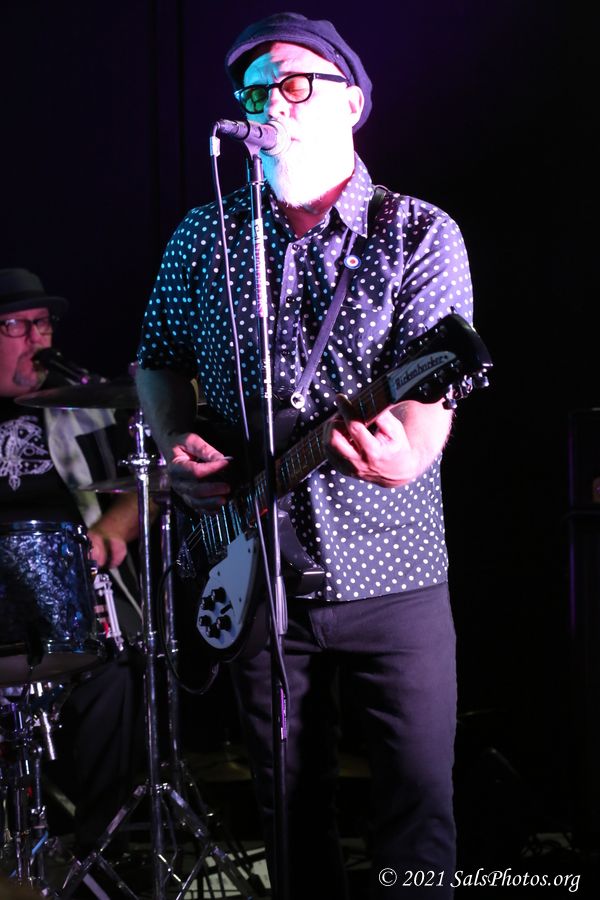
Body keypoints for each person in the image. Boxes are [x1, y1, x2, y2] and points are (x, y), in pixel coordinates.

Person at [135, 12, 474, 898]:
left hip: (392, 568)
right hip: (255, 569)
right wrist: (177, 440)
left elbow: (436, 375)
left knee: (417, 812)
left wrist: (415, 449)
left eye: (292, 84)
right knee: (289, 813)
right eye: (254, 93)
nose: (270, 104)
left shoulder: (417, 231)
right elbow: (156, 359)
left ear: (351, 103)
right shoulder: (203, 237)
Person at [0, 267, 144, 859]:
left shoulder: (80, 408)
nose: (39, 338)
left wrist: (112, 528)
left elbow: (147, 485)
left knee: (115, 672)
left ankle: (100, 856)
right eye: (20, 326)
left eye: (44, 324)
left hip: (71, 604)